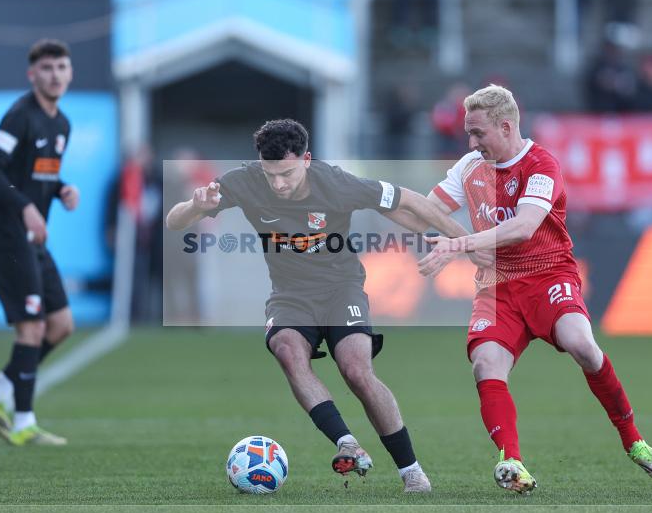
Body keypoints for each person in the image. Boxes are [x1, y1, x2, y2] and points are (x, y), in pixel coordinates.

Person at [165, 119, 470, 492]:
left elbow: (407, 199)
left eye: (287, 174)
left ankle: (411, 472)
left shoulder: (337, 183)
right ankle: (347, 443)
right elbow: (174, 221)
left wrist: (467, 240)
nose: (278, 183)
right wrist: (195, 208)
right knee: (286, 349)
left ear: (306, 159)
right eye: (270, 174)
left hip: (341, 288)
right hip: (290, 295)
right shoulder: (242, 181)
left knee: (356, 371)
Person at [417, 85, 652, 493]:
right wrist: (377, 198)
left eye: (478, 133)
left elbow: (523, 227)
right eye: (469, 133)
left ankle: (634, 441)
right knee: (486, 364)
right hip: (497, 287)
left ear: (505, 126)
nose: (471, 142)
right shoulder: (468, 166)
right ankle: (511, 461)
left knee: (582, 345)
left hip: (549, 276)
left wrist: (461, 244)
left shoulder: (541, 164)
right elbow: (427, 209)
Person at [0, 39, 78, 446]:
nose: (55, 75)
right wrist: (26, 209)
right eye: (47, 68)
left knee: (62, 325)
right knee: (31, 326)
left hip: (31, 238)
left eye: (61, 67)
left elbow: (39, 178)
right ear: (32, 74)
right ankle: (23, 423)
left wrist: (61, 190)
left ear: (70, 73)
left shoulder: (62, 124)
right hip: (5, 235)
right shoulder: (19, 116)